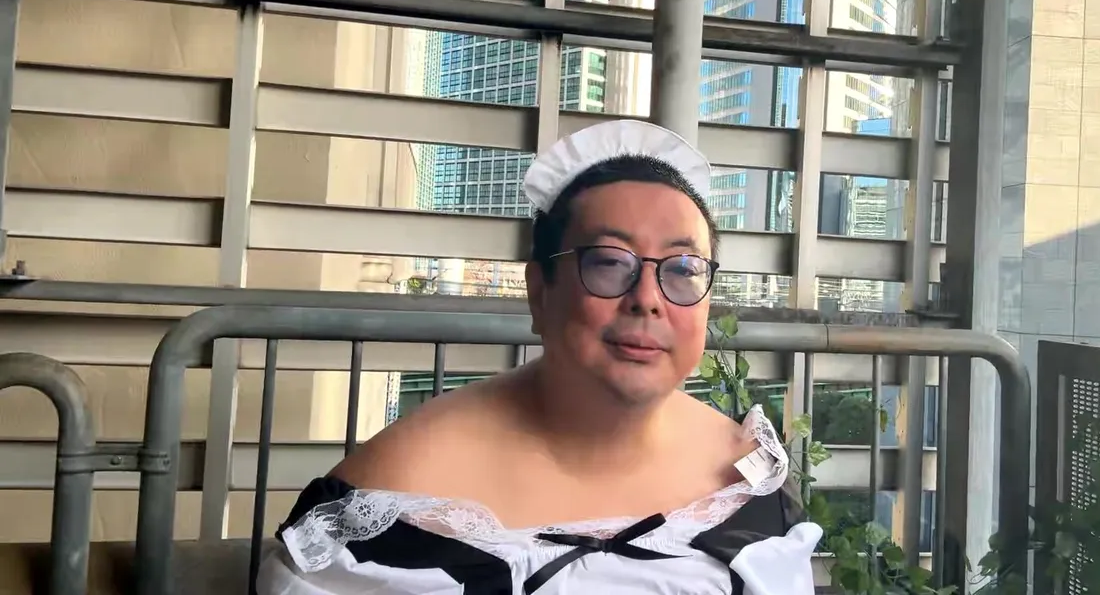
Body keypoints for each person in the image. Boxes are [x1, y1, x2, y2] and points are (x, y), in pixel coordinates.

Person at [257, 119, 822, 595]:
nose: (648, 299)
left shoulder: (746, 479)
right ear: (539, 291)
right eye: (609, 262)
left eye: (682, 269)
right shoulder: (396, 496)